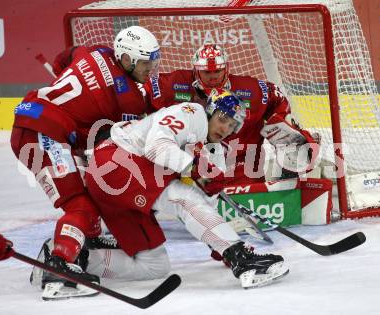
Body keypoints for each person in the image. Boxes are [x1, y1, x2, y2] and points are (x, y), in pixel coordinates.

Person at [82, 90, 289, 290]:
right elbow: (157, 148)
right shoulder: (191, 113)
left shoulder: (213, 150)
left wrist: (220, 245)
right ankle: (242, 259)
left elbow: (204, 205)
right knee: (182, 196)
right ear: (210, 111)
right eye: (223, 118)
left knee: (153, 265)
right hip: (113, 163)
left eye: (232, 125)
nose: (225, 128)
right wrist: (198, 171)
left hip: (117, 189)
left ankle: (77, 258)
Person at [10, 25, 161, 298]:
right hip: (45, 135)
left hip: (37, 123)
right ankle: (60, 270)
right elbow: (117, 143)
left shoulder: (95, 52)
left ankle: (82, 241)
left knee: (88, 196)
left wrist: (78, 93)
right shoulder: (128, 100)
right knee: (80, 206)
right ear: (126, 59)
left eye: (153, 60)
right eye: (145, 62)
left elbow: (63, 59)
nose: (151, 68)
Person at [144, 43, 319, 184]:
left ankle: (289, 176)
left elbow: (278, 101)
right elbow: (143, 92)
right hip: (191, 170)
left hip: (243, 170)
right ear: (196, 71)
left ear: (226, 69)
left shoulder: (253, 90)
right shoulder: (174, 85)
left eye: (217, 71)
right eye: (207, 72)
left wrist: (284, 123)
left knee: (294, 143)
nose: (212, 77)